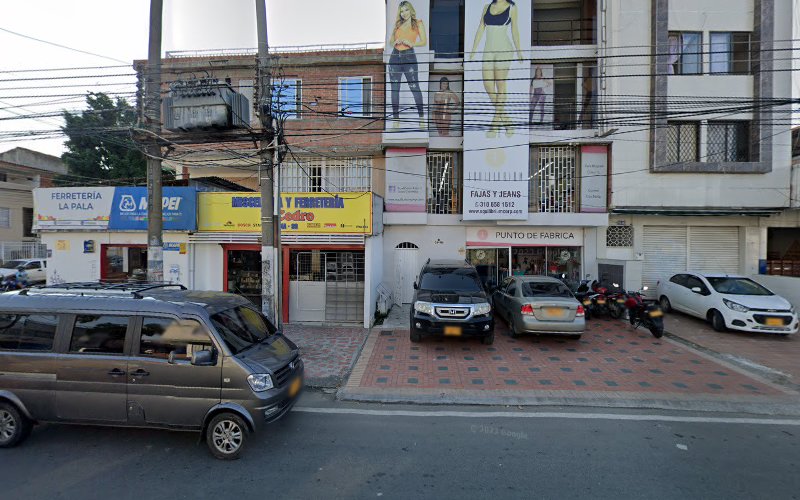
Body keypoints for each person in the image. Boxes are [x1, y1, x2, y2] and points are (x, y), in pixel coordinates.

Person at [470, 0, 523, 138]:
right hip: (488, 50)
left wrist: (519, 51)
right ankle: (507, 121)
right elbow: (481, 27)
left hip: (504, 49)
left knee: (500, 85)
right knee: (488, 85)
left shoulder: (512, 8)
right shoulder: (486, 7)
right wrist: (473, 50)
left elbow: (515, 30)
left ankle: (494, 125)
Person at [388, 1, 427, 129]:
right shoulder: (397, 24)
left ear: (411, 10)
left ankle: (422, 118)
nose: (404, 13)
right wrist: (396, 41)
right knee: (395, 90)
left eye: (406, 10)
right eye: (402, 11)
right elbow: (390, 42)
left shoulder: (418, 23)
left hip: (409, 55)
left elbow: (424, 41)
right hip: (394, 57)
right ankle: (396, 121)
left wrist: (411, 43)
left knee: (414, 87)